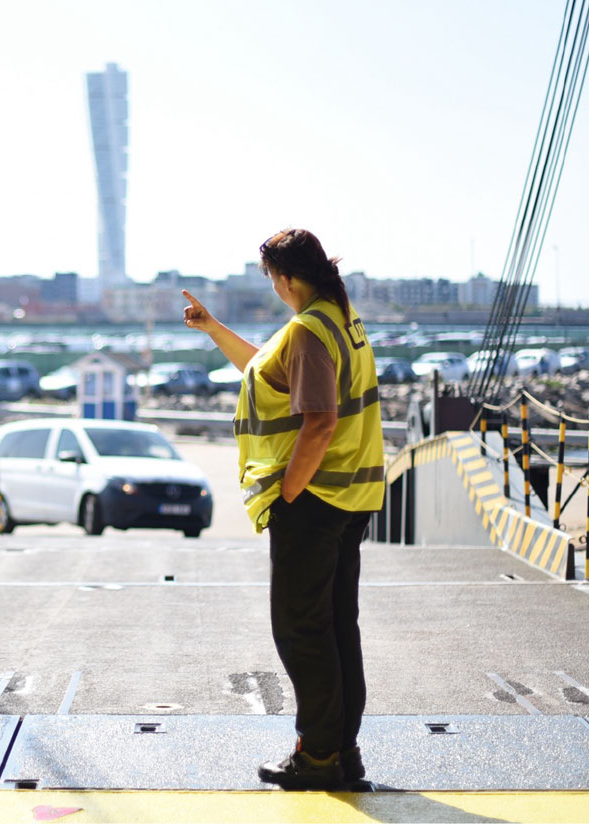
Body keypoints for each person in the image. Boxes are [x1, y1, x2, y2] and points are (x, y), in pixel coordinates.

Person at [182, 228, 384, 790]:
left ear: (286, 278)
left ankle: (318, 758)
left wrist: (290, 493)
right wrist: (213, 328)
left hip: (314, 500)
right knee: (337, 626)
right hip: (349, 496)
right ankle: (342, 752)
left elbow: (318, 421)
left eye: (271, 277)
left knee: (301, 629)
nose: (272, 286)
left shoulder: (309, 330)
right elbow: (264, 370)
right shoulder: (337, 318)